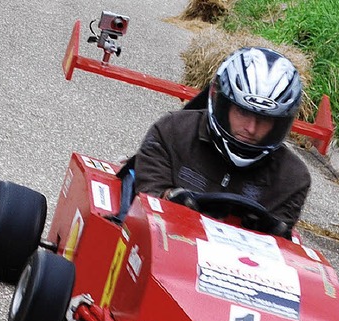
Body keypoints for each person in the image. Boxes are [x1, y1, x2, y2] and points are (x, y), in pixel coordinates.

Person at [117, 46, 311, 235]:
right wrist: (170, 198)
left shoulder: (292, 179)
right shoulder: (172, 131)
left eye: (265, 120)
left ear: (280, 124)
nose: (251, 128)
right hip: (163, 242)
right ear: (223, 105)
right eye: (242, 112)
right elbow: (147, 193)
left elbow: (281, 246)